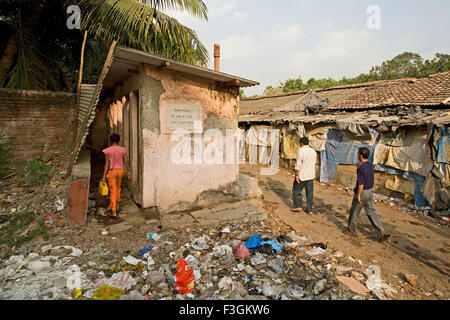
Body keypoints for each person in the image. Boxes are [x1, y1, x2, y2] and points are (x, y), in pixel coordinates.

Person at [345, 147, 390, 242]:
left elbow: (361, 183)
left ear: (361, 155)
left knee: (354, 212)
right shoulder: (369, 165)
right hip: (370, 192)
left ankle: (352, 231)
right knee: (371, 212)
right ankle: (381, 232)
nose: (357, 155)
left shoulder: (361, 167)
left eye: (358, 153)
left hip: (363, 192)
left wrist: (358, 194)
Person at [102, 133, 131, 218]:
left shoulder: (108, 150)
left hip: (112, 171)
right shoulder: (122, 150)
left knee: (113, 191)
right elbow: (126, 161)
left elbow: (107, 164)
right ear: (119, 140)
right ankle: (117, 206)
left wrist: (104, 176)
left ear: (111, 140)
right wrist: (128, 171)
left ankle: (114, 211)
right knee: (118, 188)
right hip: (121, 171)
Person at [291, 137, 317, 215]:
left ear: (301, 143)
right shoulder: (313, 151)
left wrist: (296, 175)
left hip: (302, 175)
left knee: (296, 190)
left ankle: (298, 206)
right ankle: (309, 209)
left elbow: (298, 164)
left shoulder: (301, 151)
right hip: (311, 175)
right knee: (309, 193)